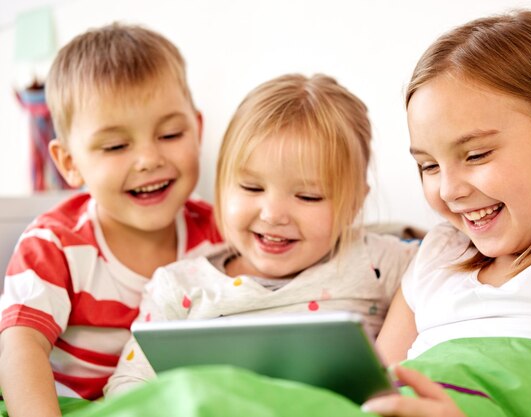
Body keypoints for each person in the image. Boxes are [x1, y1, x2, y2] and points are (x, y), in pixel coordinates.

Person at [362, 9, 531, 417]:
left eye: (476, 155)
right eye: (429, 166)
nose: (449, 190)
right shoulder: (437, 257)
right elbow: (368, 389)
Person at [103, 73, 420, 397]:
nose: (272, 215)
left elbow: (452, 260)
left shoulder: (376, 262)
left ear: (354, 204)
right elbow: (128, 387)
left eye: (308, 196)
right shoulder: (178, 287)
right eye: (251, 187)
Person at [0, 23, 222, 417]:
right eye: (117, 145)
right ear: (70, 163)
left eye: (170, 134)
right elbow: (20, 345)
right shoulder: (54, 245)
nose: (149, 159)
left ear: (197, 129)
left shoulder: (221, 233)